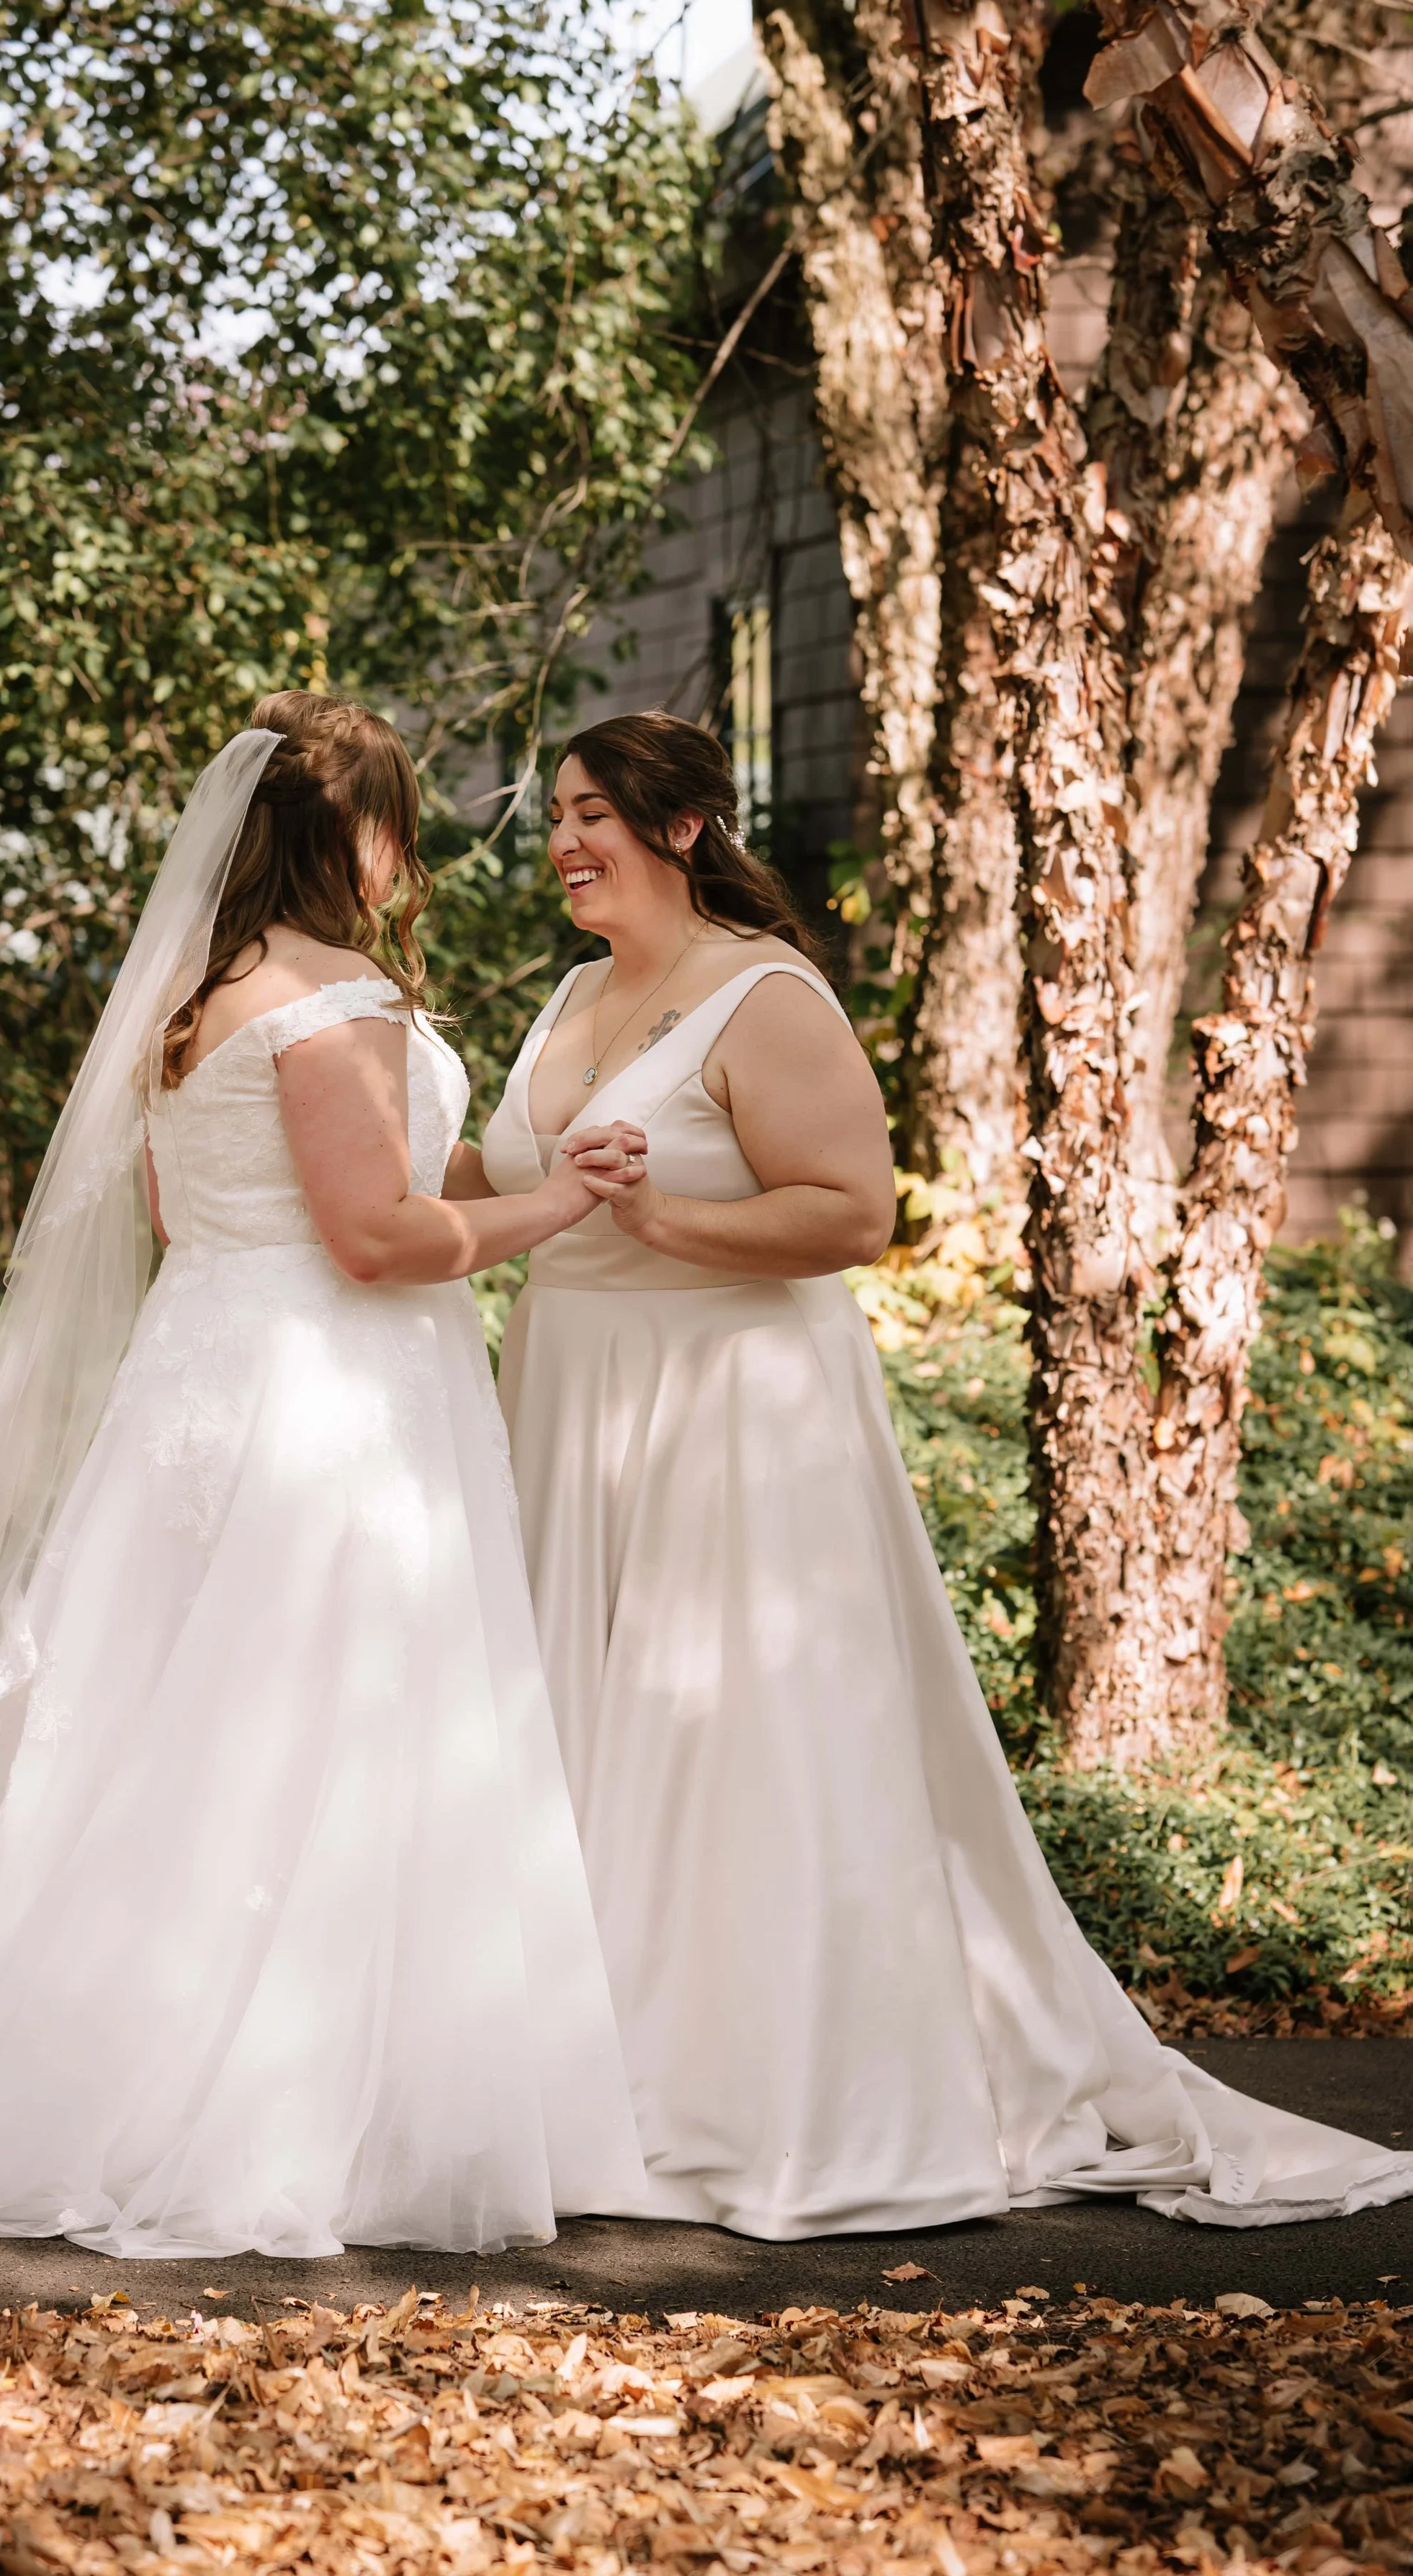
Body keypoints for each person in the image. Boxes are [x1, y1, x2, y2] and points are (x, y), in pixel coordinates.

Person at [0, 695, 645, 2258]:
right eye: (398, 829)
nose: (405, 858)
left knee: (166, 1727)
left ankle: (89, 2066)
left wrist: (514, 1173)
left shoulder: (196, 998)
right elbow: (373, 1240)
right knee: (316, 1729)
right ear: (358, 837)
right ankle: (295, 2110)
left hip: (203, 1378)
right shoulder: (343, 994)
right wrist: (556, 1210)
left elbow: (199, 1206)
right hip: (333, 1400)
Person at [468, 708, 1413, 2235]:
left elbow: (852, 1213)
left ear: (680, 827)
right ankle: (578, 2079)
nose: (566, 843)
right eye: (558, 816)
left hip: (727, 1414)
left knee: (720, 1744)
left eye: (594, 815)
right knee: (575, 1734)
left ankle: (747, 2090)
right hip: (569, 1404)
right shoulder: (574, 994)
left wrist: (665, 1229)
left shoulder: (762, 995)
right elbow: (499, 1180)